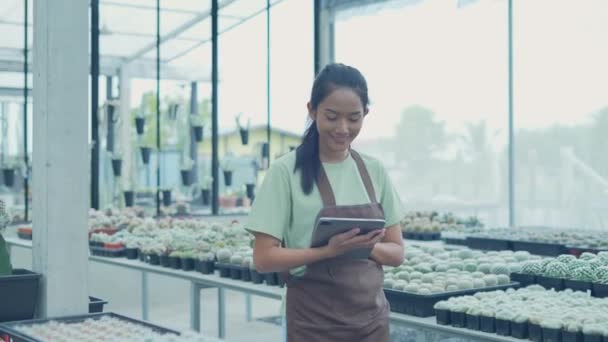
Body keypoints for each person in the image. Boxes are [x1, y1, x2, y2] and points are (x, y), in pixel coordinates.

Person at [246, 63, 405, 341]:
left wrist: (365, 247)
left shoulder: (374, 170)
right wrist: (327, 252)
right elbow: (264, 258)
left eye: (354, 118)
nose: (343, 128)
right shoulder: (285, 172)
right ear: (312, 110)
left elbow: (396, 252)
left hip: (370, 324)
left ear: (365, 114)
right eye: (332, 117)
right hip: (312, 324)